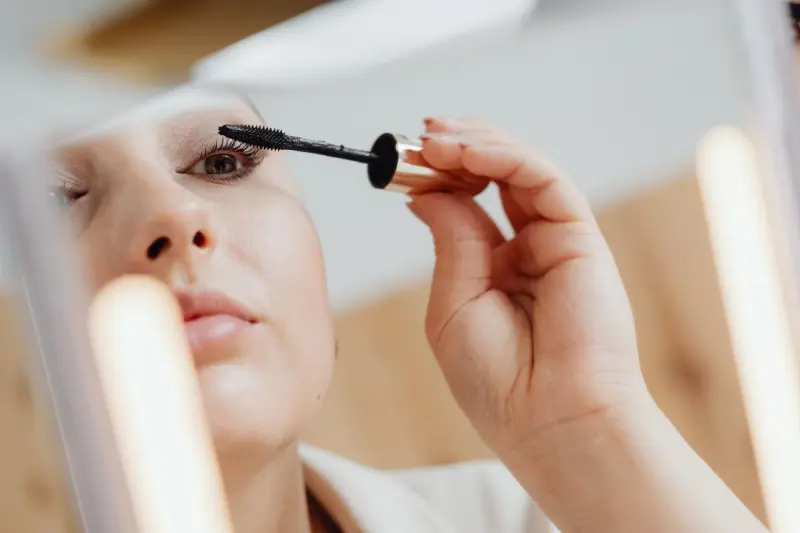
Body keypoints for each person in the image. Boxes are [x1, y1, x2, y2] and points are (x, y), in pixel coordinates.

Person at [51, 85, 767, 533]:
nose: (175, 216)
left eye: (220, 162)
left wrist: (587, 424)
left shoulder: (506, 521)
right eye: (53, 201)